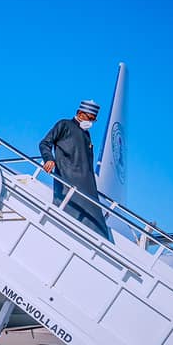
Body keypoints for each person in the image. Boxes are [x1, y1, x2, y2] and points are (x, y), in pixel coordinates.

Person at [39, 100, 112, 241]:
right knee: (71, 211)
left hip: (88, 185)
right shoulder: (64, 125)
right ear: (80, 113)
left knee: (95, 219)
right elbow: (45, 143)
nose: (91, 122)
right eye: (89, 118)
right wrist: (49, 159)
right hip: (68, 179)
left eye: (93, 120)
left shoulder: (86, 135)